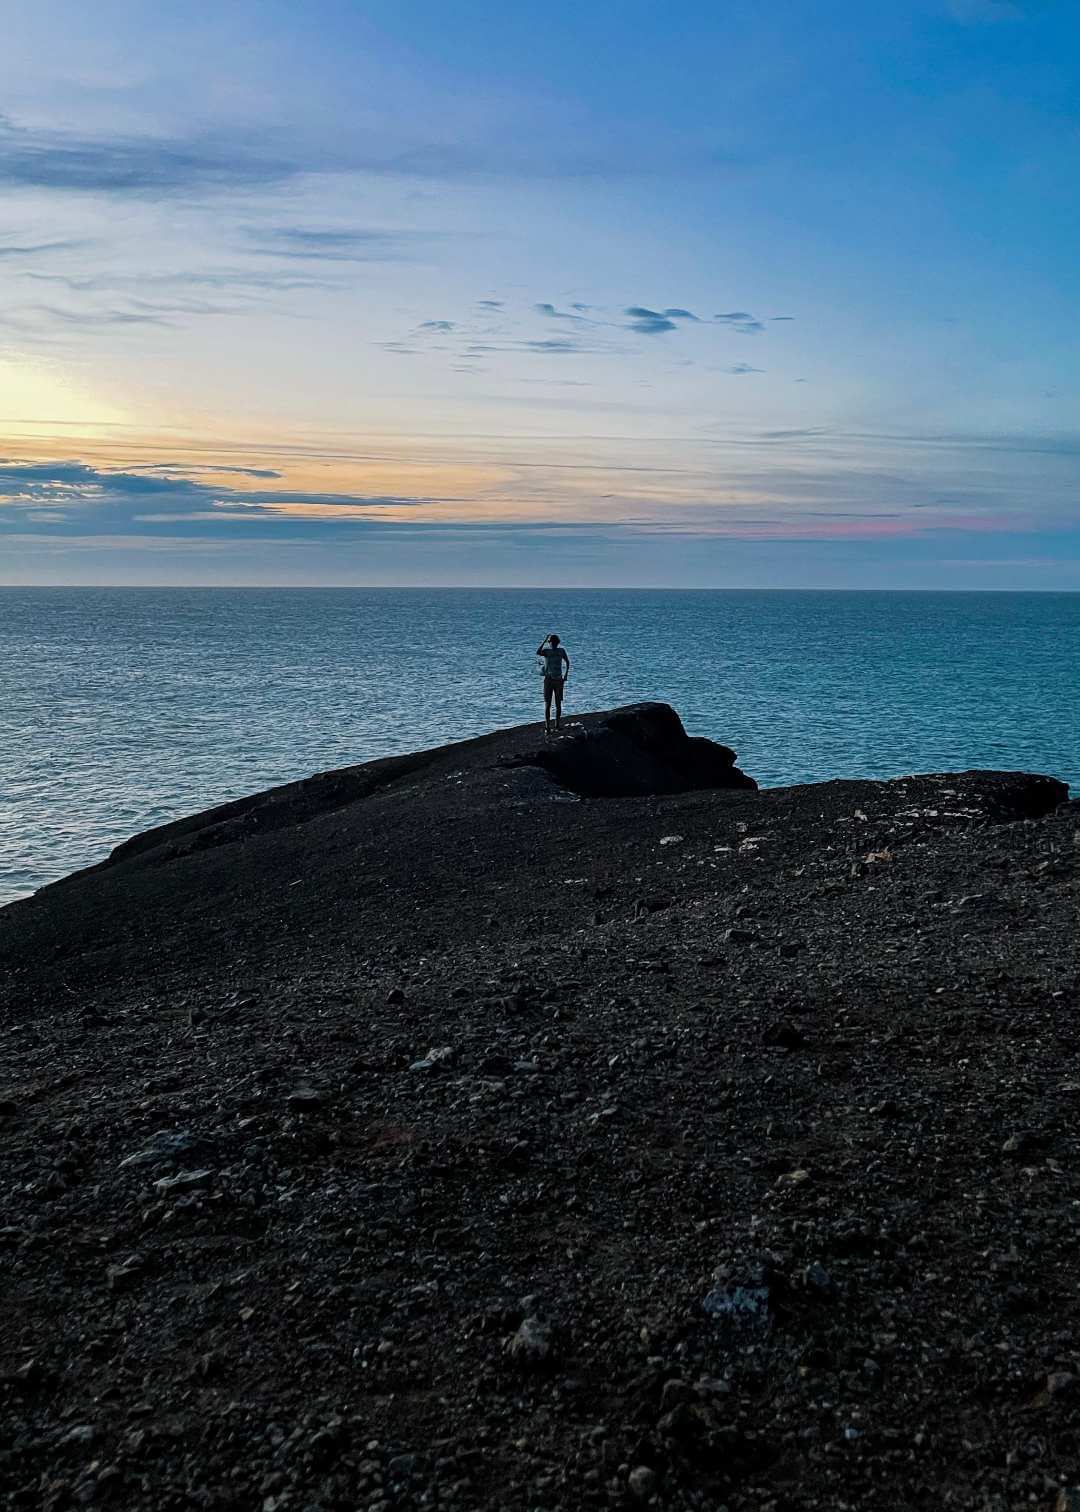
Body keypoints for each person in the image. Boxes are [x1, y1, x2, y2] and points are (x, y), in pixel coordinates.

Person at [536, 633, 570, 733]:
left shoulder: (561, 651)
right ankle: (547, 726)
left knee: (558, 703)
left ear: (557, 643)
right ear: (549, 643)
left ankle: (557, 725)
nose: (553, 644)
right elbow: (538, 652)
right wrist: (544, 640)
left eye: (555, 643)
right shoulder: (546, 651)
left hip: (559, 679)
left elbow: (567, 662)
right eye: (551, 642)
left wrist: (566, 675)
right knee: (548, 703)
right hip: (548, 679)